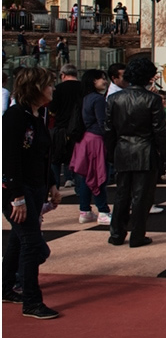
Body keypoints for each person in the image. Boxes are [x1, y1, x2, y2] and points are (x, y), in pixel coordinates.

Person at [3, 66, 62, 319]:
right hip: (19, 189)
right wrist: (17, 197)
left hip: (37, 186)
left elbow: (43, 155)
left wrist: (52, 184)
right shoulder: (15, 117)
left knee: (19, 241)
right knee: (34, 247)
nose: (53, 89)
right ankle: (31, 301)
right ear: (36, 88)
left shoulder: (38, 115)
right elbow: (10, 158)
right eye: (49, 84)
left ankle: (7, 287)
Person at [105, 58, 166, 248]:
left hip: (123, 149)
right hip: (145, 150)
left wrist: (111, 153)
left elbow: (109, 130)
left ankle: (116, 234)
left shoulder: (113, 99)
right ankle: (137, 235)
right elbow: (160, 131)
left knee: (121, 194)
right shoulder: (152, 99)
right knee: (142, 197)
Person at [70, 69, 113, 225]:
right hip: (96, 140)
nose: (105, 81)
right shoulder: (98, 99)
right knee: (98, 175)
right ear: (93, 81)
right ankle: (103, 210)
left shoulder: (84, 98)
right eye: (102, 79)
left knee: (87, 176)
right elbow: (103, 123)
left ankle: (85, 210)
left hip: (84, 140)